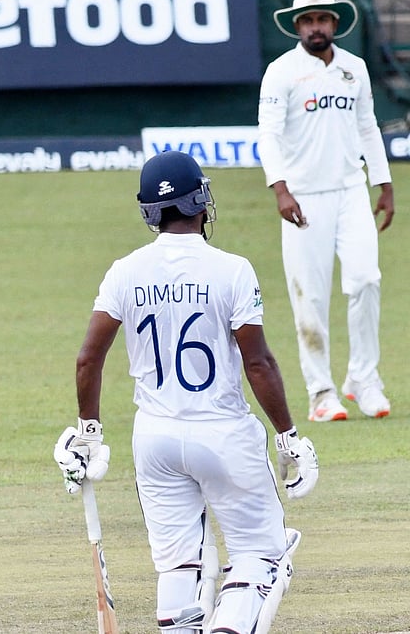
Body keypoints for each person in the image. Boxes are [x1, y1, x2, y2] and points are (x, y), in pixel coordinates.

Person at [53, 150, 320, 633]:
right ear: (200, 201)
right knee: (261, 557)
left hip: (154, 439)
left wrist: (89, 432)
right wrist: (288, 436)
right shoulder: (232, 269)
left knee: (179, 569)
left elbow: (87, 359)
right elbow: (258, 362)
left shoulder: (125, 271)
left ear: (149, 212)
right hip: (222, 433)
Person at [257, 0, 395, 422]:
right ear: (297, 26)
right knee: (310, 299)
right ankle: (322, 393)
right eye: (308, 20)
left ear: (335, 24)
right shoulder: (282, 72)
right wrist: (280, 189)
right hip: (304, 199)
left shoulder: (355, 69)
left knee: (366, 280)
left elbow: (368, 127)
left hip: (351, 192)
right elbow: (269, 136)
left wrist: (383, 183)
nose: (316, 27)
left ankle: (364, 381)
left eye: (323, 19)